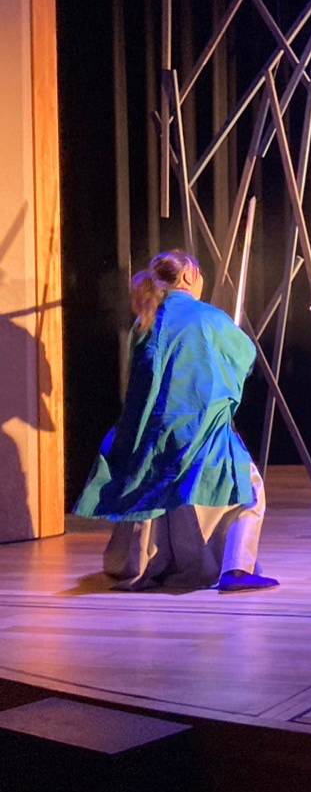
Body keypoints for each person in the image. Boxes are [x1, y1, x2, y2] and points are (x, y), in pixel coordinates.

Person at [73, 250, 276, 592]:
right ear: (188, 276)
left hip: (154, 430)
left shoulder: (146, 321)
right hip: (200, 424)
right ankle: (237, 569)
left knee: (165, 496)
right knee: (249, 489)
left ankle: (156, 563)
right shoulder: (208, 318)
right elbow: (244, 356)